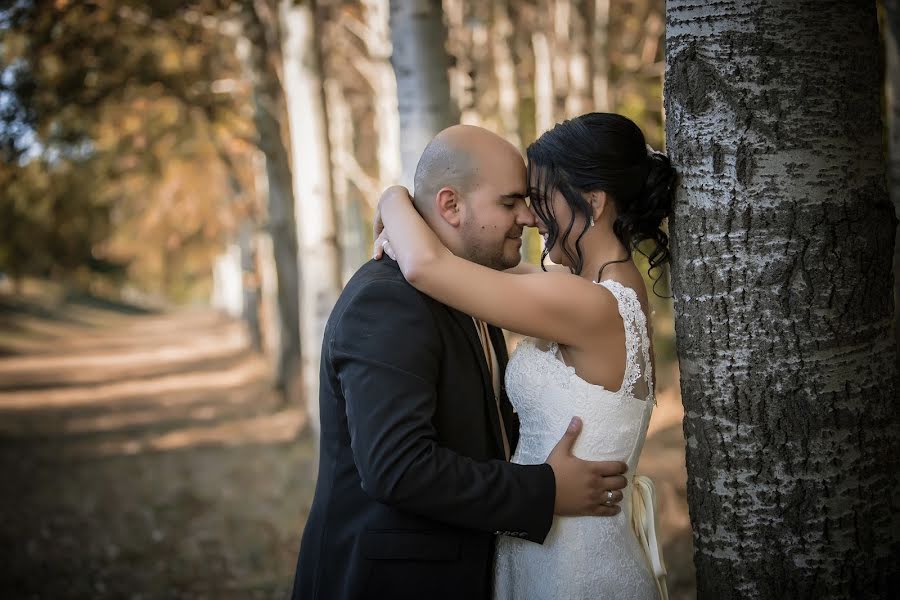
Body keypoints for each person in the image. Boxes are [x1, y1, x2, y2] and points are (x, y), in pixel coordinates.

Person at [290, 123, 631, 600]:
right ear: (451, 205)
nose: (529, 219)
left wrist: (392, 199)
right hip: (389, 585)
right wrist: (543, 490)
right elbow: (399, 467)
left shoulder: (475, 288)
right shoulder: (389, 303)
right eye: (510, 202)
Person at [375, 112, 675, 599]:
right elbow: (458, 265)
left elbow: (427, 266)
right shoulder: (592, 291)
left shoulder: (590, 305)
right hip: (551, 544)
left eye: (541, 199)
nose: (533, 217)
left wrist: (393, 199)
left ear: (593, 204)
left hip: (573, 565)